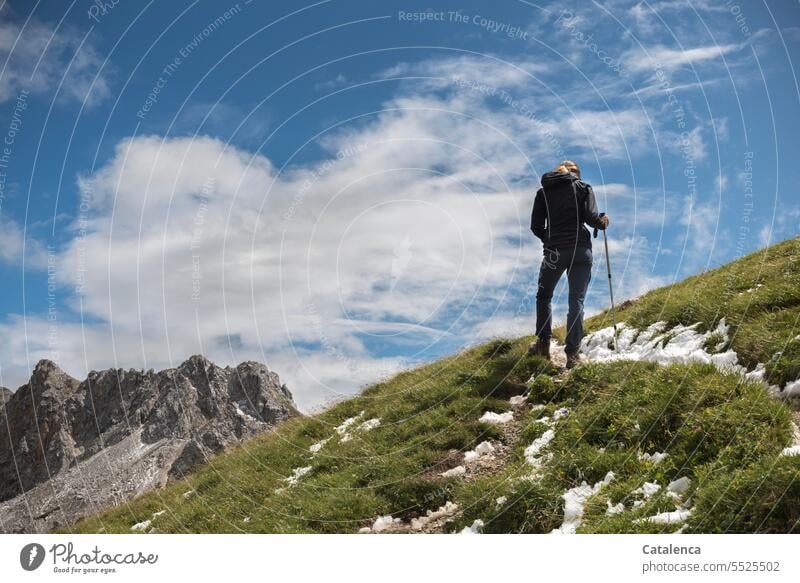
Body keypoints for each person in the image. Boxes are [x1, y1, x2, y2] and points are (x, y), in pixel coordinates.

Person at [529, 160, 609, 368]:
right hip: (581, 250)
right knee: (576, 301)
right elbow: (591, 218)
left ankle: (543, 344)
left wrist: (548, 240)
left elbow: (535, 226)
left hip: (554, 251)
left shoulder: (543, 193)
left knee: (544, 296)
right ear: (577, 174)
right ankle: (572, 354)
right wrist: (603, 222)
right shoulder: (583, 187)